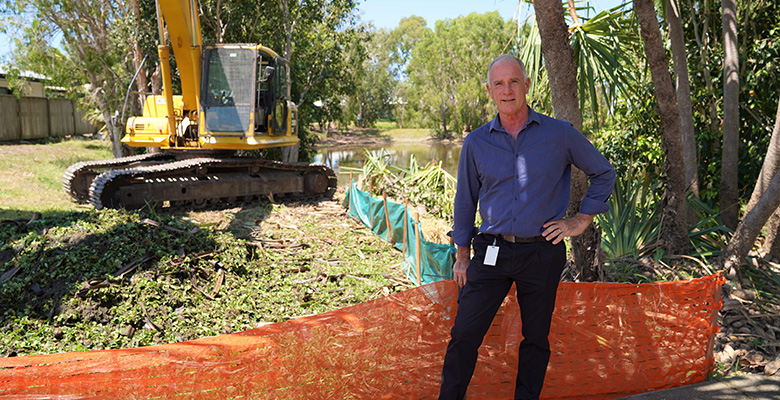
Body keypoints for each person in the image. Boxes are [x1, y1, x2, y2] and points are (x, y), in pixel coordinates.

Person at [439, 54, 616, 400]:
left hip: (541, 251)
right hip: (491, 251)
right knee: (463, 334)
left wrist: (580, 220)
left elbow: (603, 173)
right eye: (500, 84)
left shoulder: (559, 134)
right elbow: (465, 201)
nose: (507, 90)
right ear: (490, 91)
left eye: (514, 81)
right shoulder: (476, 142)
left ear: (527, 86)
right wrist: (462, 255)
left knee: (535, 338)